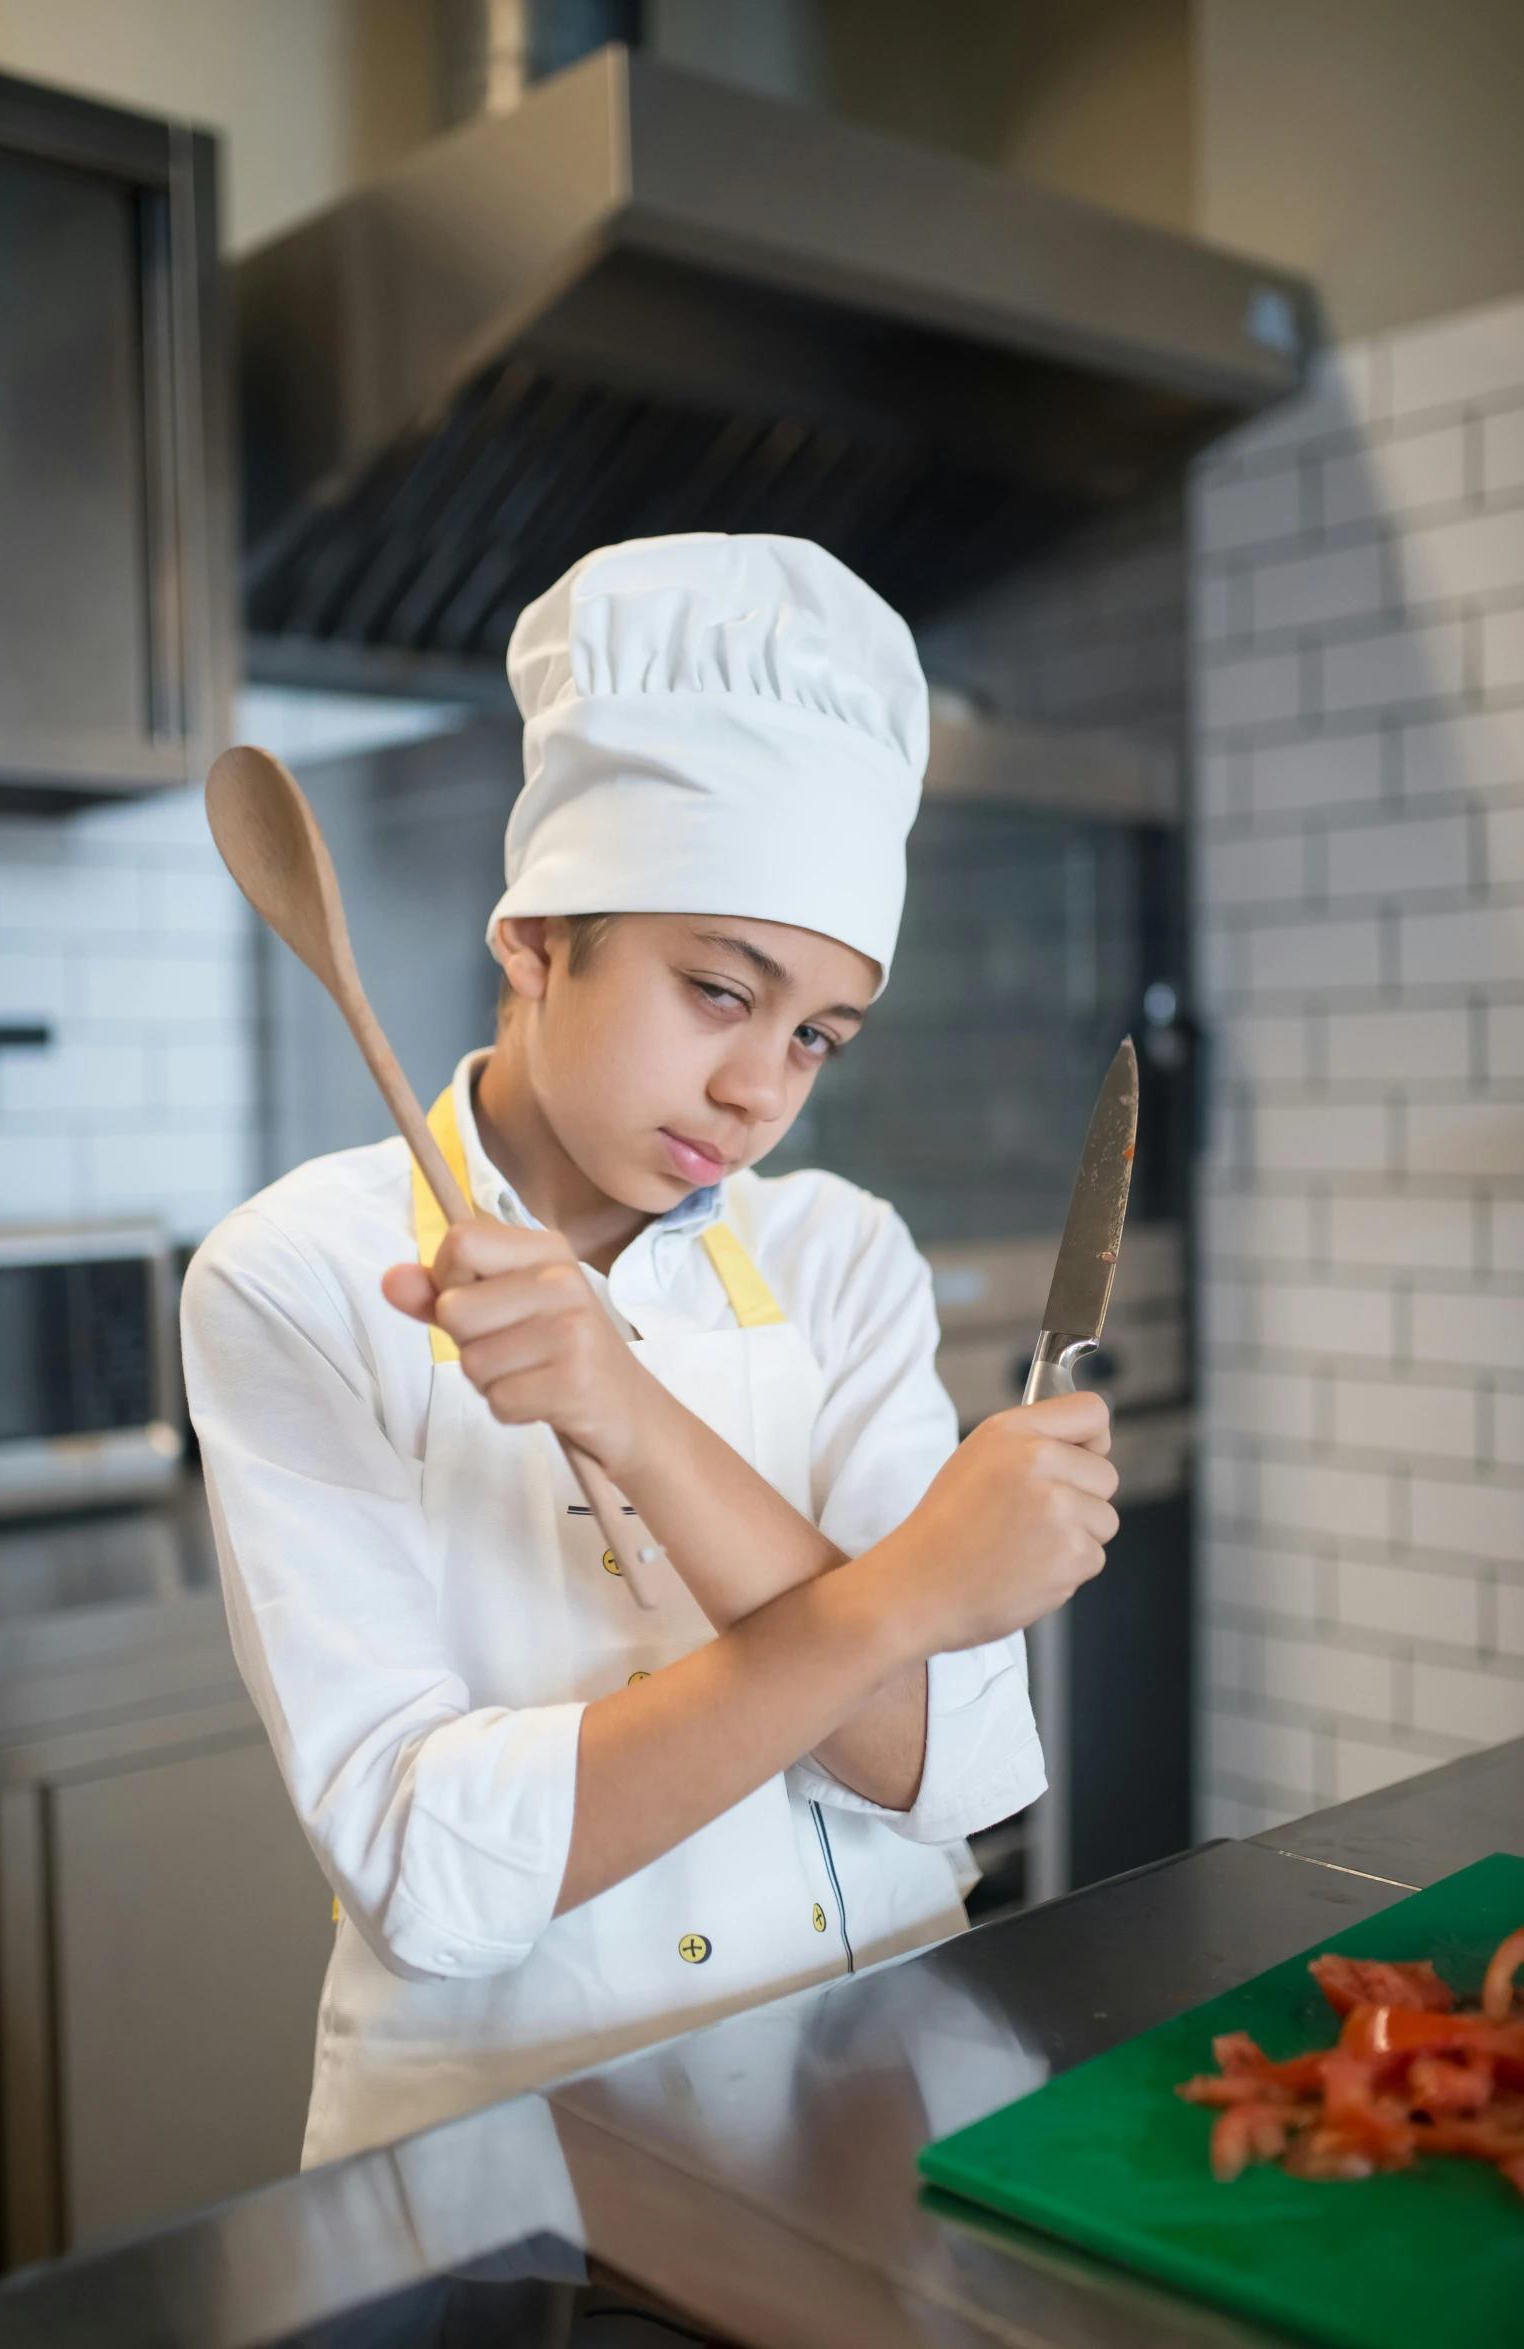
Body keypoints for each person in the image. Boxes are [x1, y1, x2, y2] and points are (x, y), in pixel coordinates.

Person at [182, 533, 1118, 2167]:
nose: (762, 1088)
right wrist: (907, 1593)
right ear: (535, 939)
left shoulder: (840, 1253)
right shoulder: (301, 1277)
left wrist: (641, 1425)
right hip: (516, 2168)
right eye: (717, 990)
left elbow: (948, 1772)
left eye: (816, 1032)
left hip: (879, 2092)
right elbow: (429, 1875)